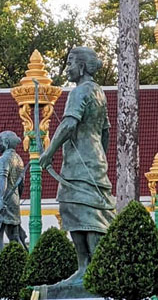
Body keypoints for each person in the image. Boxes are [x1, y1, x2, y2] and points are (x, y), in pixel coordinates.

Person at [39, 46, 115, 282]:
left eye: (71, 63)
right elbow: (106, 132)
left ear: (82, 66)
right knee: (89, 211)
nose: (67, 68)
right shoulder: (99, 92)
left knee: (79, 210)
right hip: (94, 157)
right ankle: (91, 267)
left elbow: (69, 124)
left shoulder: (79, 92)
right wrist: (99, 156)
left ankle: (86, 267)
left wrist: (49, 152)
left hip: (79, 160)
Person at [0, 130, 27, 258]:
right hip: (13, 201)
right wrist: (16, 200)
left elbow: (1, 181)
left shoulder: (2, 160)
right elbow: (21, 185)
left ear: (6, 142)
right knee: (15, 237)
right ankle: (24, 261)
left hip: (0, 202)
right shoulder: (19, 160)